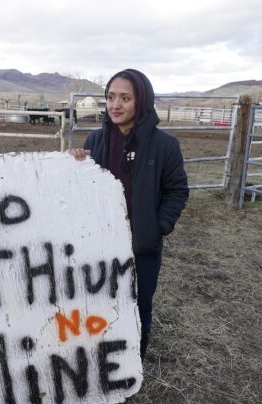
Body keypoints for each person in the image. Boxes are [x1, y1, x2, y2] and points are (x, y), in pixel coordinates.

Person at [69, 68, 188, 359]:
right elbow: (81, 190)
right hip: (99, 242)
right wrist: (74, 165)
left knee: (138, 302)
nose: (115, 105)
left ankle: (133, 361)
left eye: (125, 98)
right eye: (110, 97)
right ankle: (101, 360)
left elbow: (177, 190)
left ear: (141, 101)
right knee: (98, 300)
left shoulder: (165, 146)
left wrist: (157, 226)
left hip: (142, 246)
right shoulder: (95, 141)